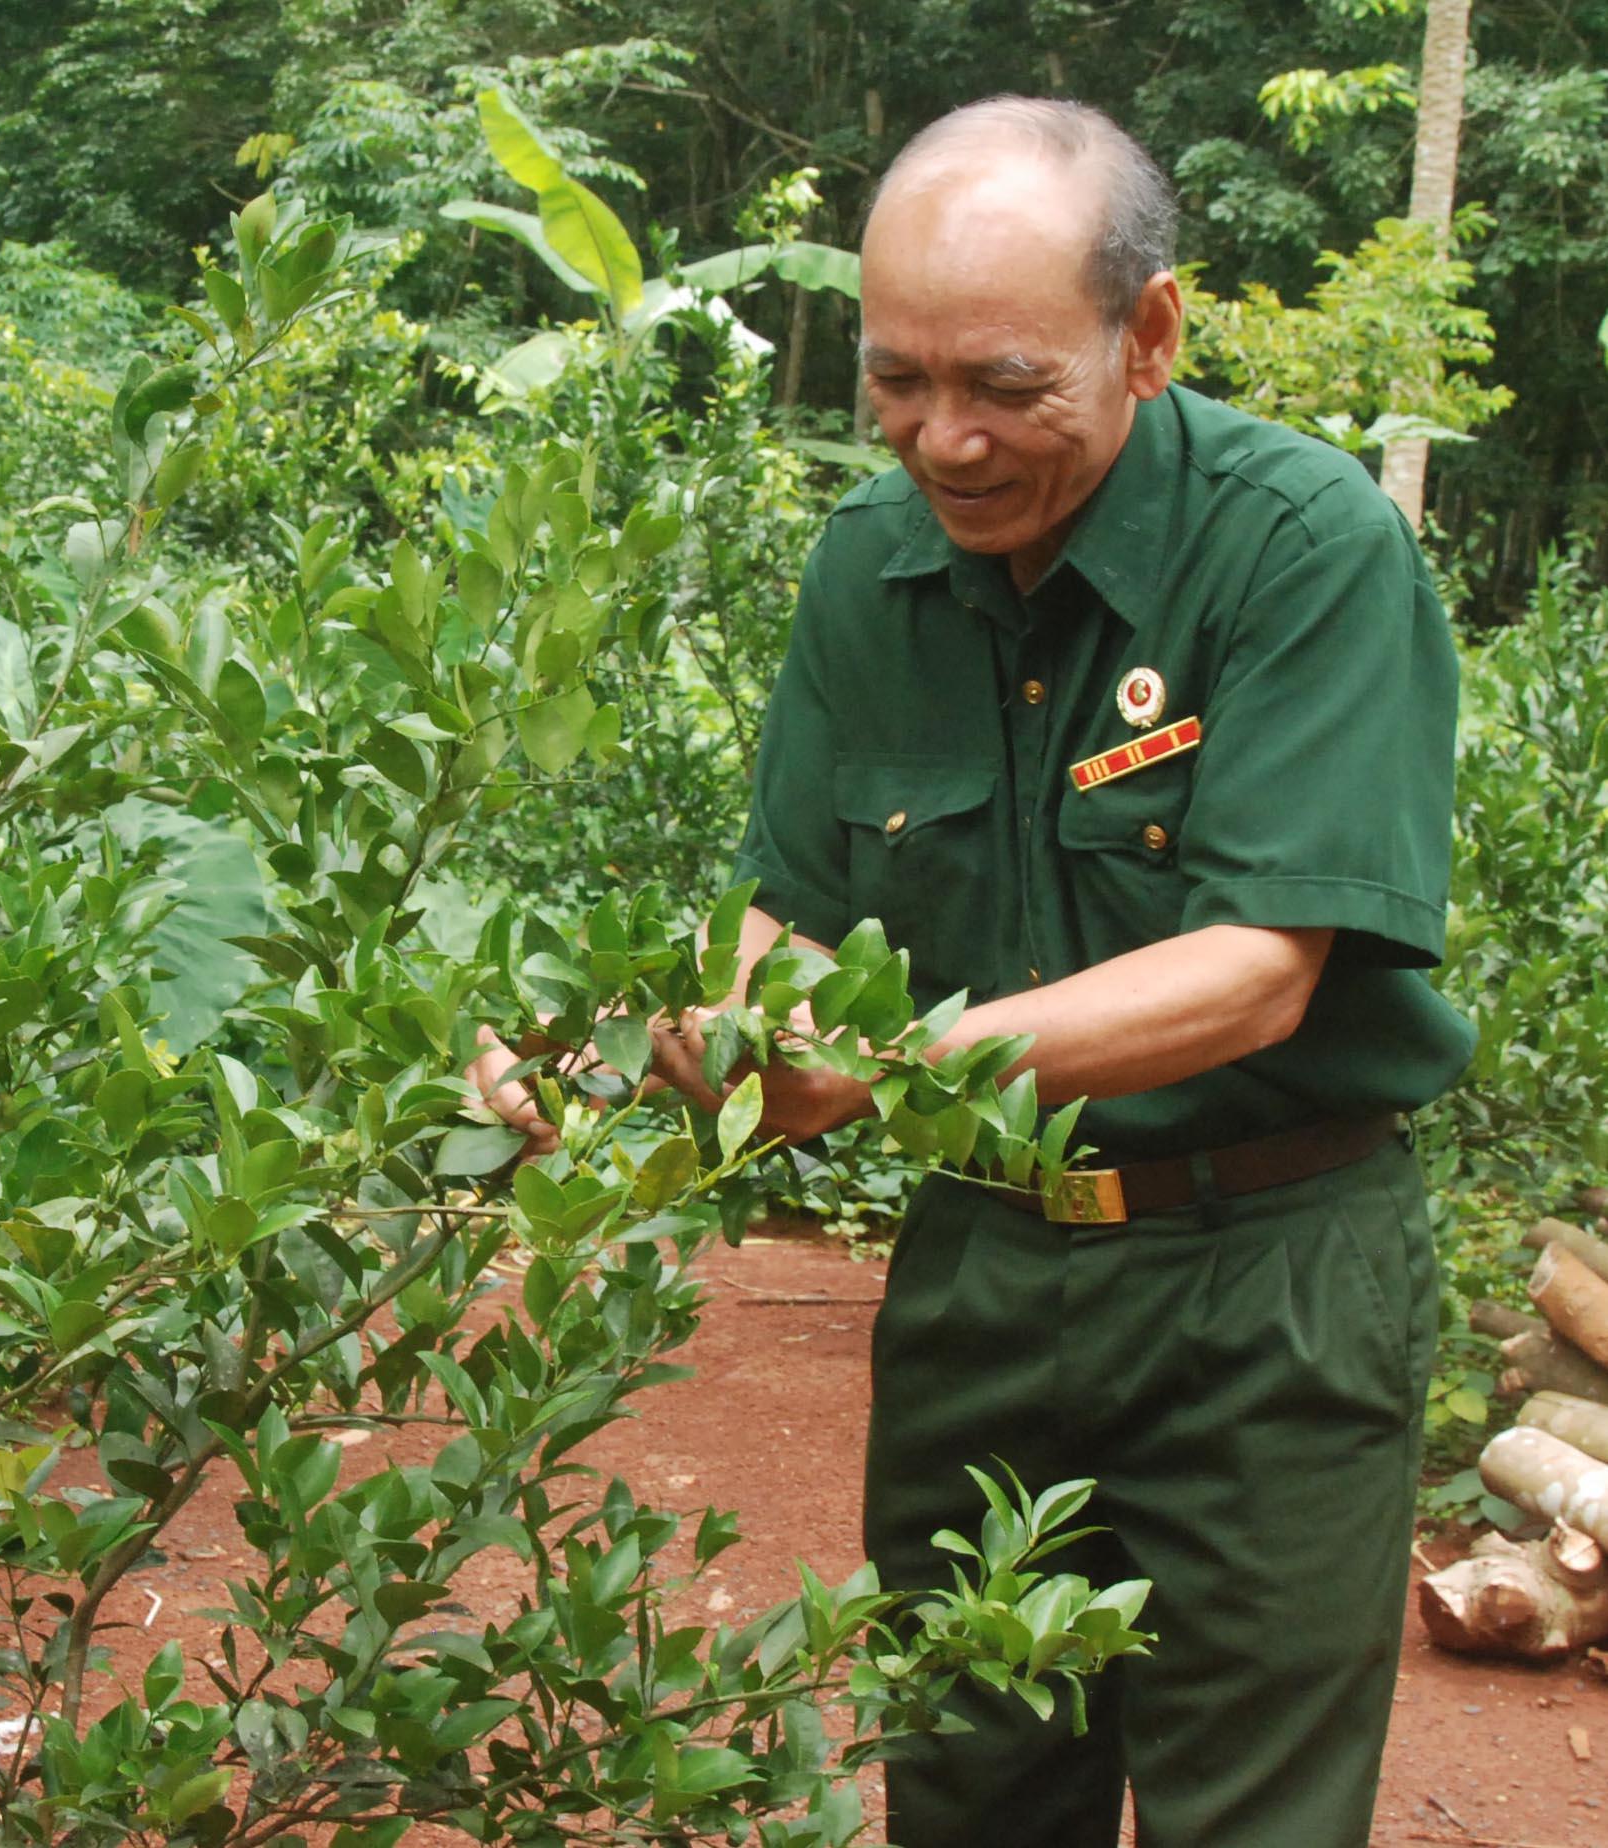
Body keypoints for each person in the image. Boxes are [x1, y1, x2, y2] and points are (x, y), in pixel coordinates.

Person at [468, 95, 1475, 1848]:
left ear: (1148, 333)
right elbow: (786, 922)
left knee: (1255, 1816)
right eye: (897, 381)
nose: (943, 441)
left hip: (1270, 1277)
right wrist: (629, 1055)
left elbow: (1256, 972)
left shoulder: (1300, 548)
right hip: (985, 1275)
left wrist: (894, 1067)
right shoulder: (869, 571)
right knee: (968, 1783)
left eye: (1006, 386)